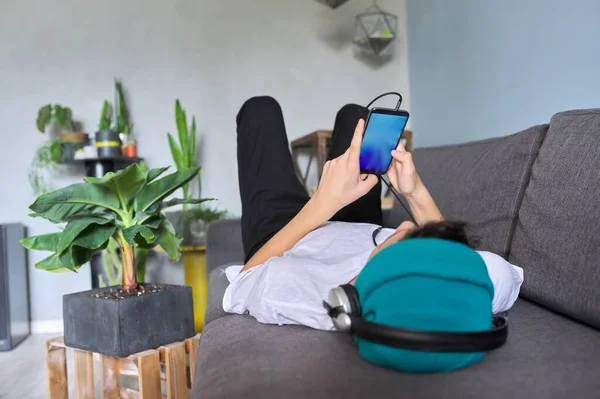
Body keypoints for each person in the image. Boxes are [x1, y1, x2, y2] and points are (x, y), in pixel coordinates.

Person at [223, 96, 524, 335]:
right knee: (356, 115)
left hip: (286, 232)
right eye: (419, 248)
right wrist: (413, 190)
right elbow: (459, 264)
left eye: (403, 255)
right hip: (355, 223)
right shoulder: (491, 278)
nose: (406, 227)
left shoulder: (326, 300)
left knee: (259, 109)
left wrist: (322, 203)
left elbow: (243, 282)